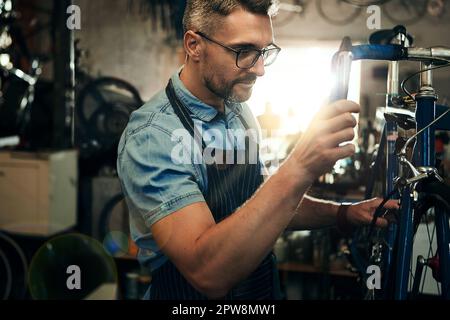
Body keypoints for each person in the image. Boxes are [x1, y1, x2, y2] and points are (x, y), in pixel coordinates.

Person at [117, 0, 398, 300]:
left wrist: (344, 214)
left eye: (264, 52)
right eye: (243, 52)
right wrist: (300, 166)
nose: (260, 69)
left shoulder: (237, 110)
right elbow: (207, 273)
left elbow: (260, 204)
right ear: (194, 45)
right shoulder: (153, 136)